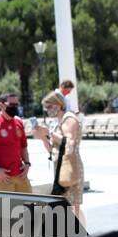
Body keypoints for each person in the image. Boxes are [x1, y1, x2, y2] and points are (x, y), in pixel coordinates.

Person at [34, 89, 85, 222]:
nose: (47, 110)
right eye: (46, 108)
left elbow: (68, 141)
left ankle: (80, 236)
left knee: (73, 205)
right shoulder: (59, 121)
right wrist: (43, 137)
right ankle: (71, 235)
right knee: (65, 205)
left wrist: (49, 132)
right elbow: (53, 151)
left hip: (70, 167)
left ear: (58, 104)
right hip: (60, 168)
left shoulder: (69, 118)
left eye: (49, 106)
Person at [0, 90, 32, 193]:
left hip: (20, 175)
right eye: (12, 104)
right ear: (1, 105)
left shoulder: (18, 122)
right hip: (2, 177)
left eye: (17, 104)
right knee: (8, 208)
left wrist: (27, 163)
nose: (15, 107)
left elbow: (23, 146)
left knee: (30, 206)